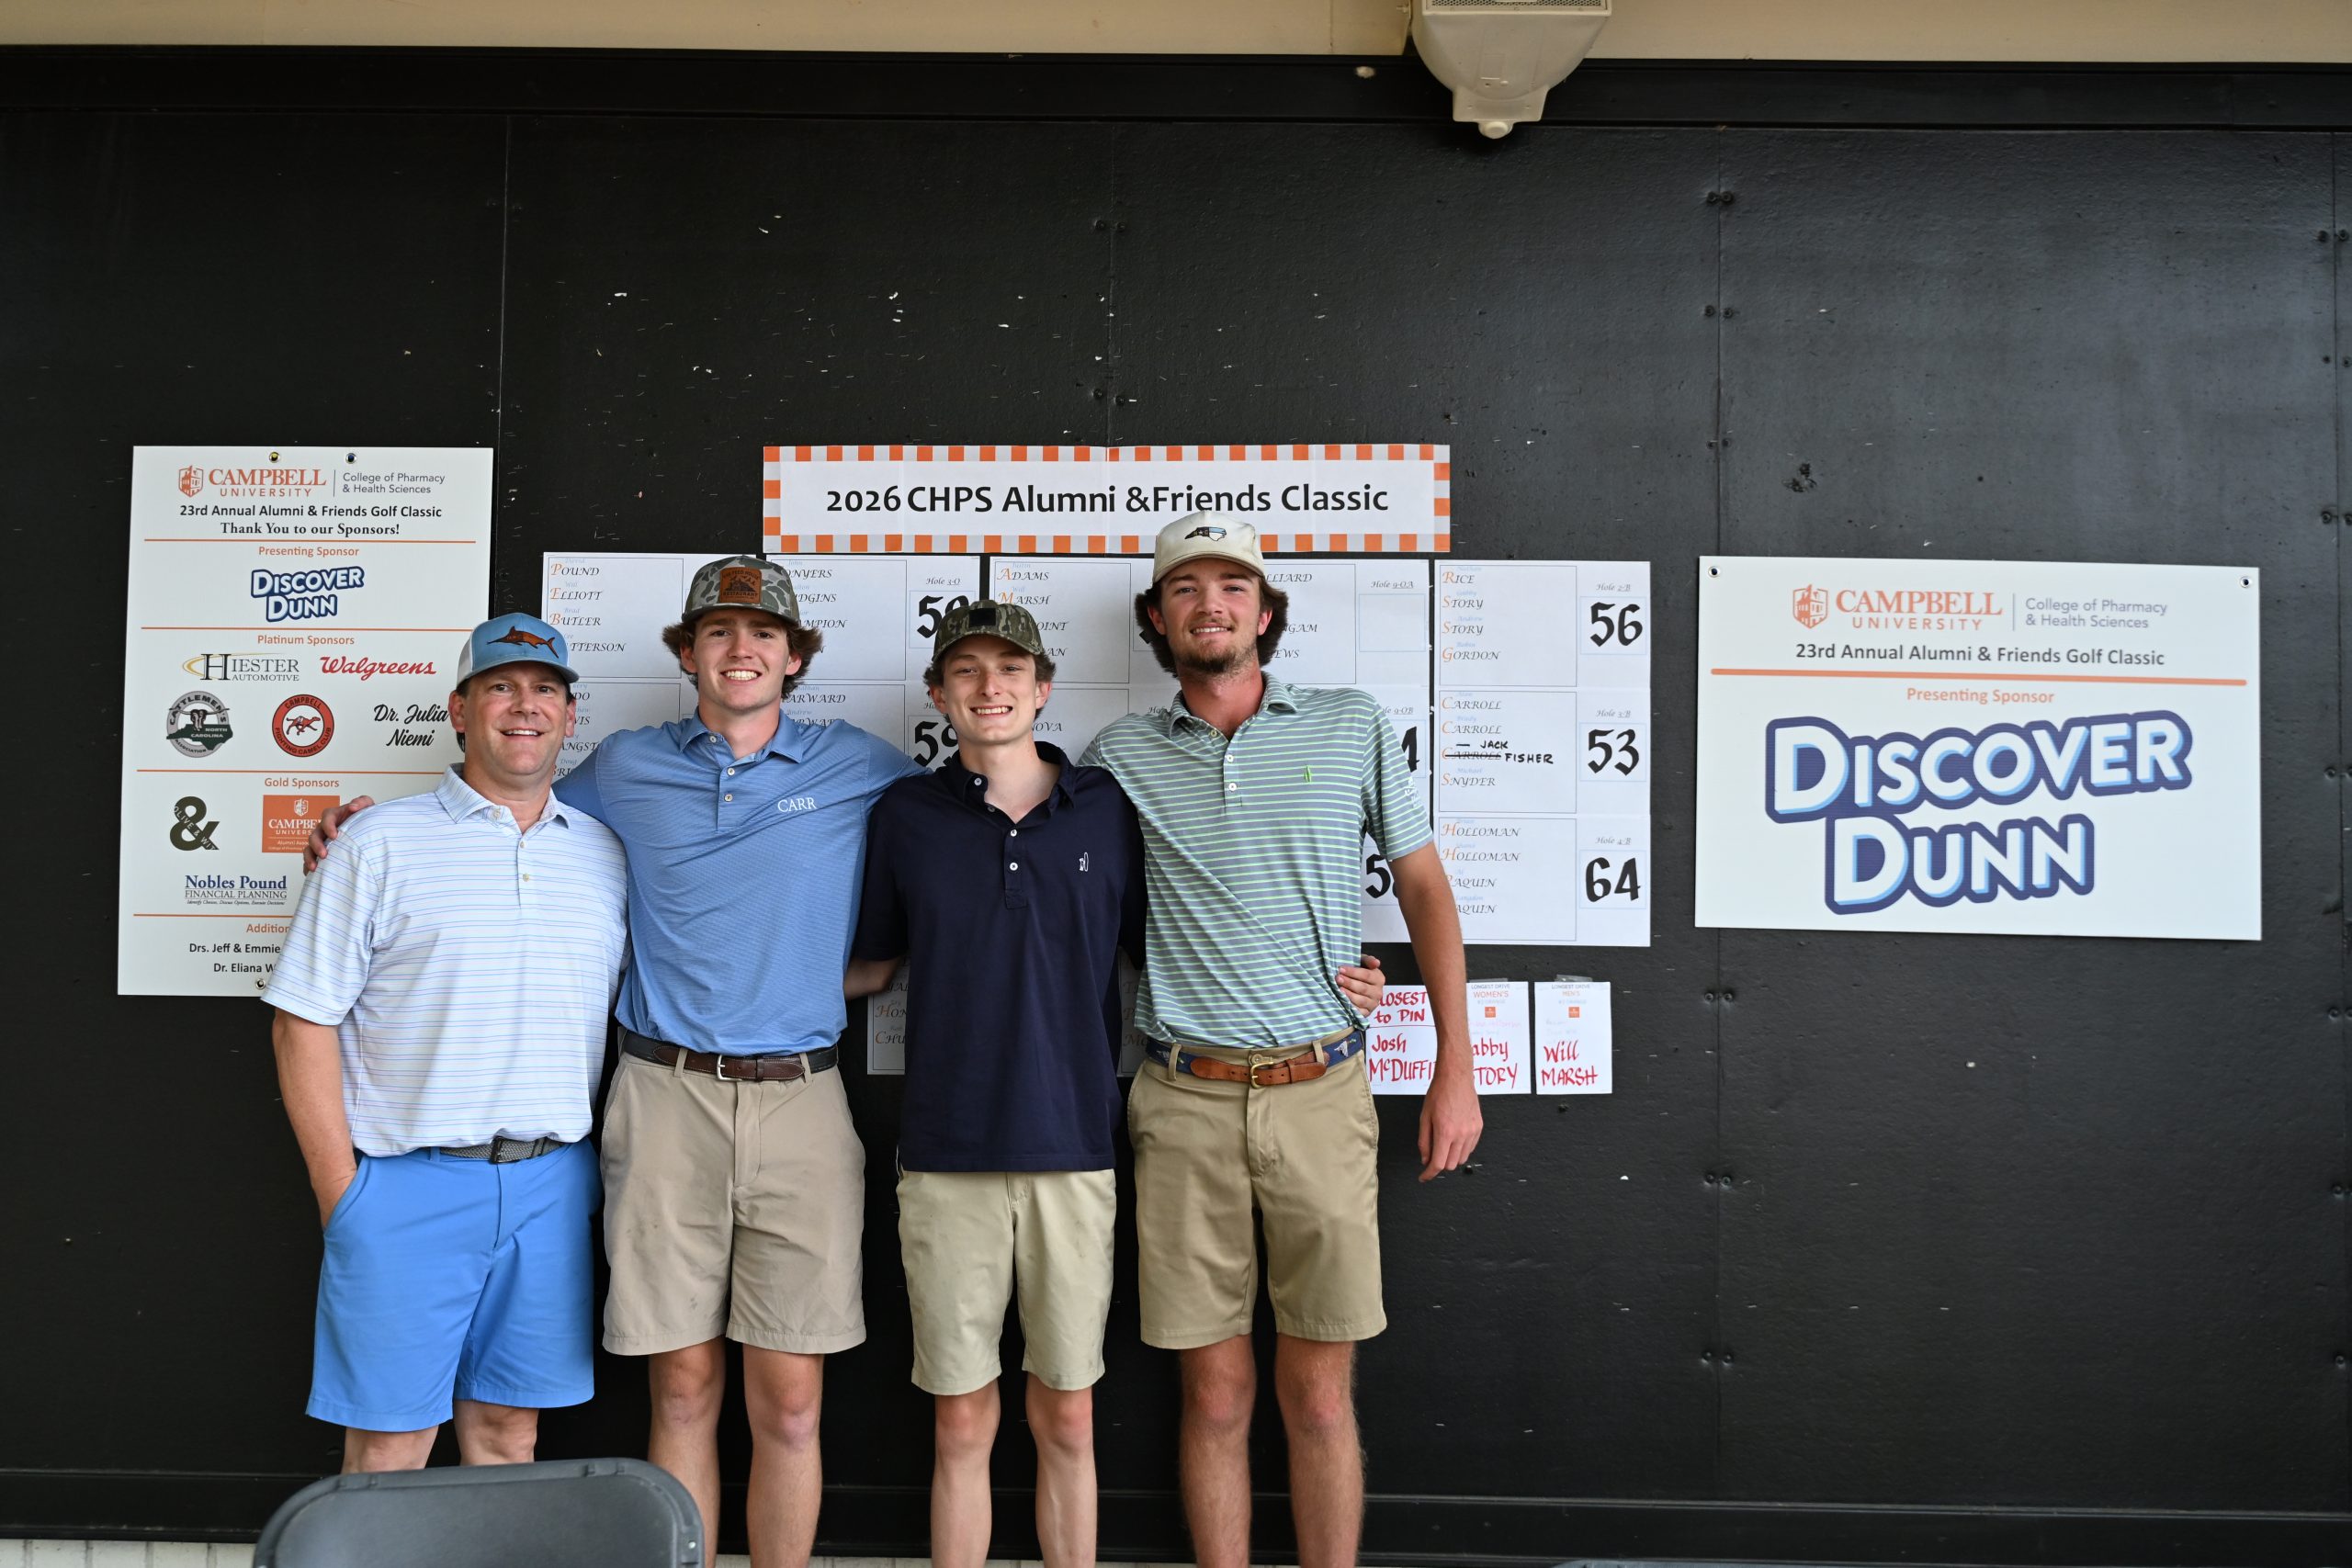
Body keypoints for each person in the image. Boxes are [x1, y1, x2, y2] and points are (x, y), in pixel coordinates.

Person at [310, 556, 921, 1568]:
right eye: (718, 633)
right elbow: (507, 803)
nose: (741, 650)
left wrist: (832, 976)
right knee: (680, 1385)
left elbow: (959, 830)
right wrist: (359, 824)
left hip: (804, 1098)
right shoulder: (626, 768)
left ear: (795, 656)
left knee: (795, 1399)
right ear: (687, 653)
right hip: (661, 1091)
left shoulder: (860, 765)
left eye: (763, 633)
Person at [845, 600, 1388, 1568]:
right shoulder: (903, 816)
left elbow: (1196, 926)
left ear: (1043, 689)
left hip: (1077, 1150)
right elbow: (871, 964)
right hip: (942, 1153)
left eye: (1009, 669)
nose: (989, 688)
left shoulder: (1106, 804)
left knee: (1067, 1417)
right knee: (961, 1424)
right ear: (938, 694)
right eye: (965, 672)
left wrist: (1329, 974)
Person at [1079, 515, 1483, 1568]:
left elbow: (1426, 889)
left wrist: (1456, 1071)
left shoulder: (1350, 724)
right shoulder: (1116, 758)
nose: (1207, 604)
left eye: (1230, 586)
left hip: (1321, 1094)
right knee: (1212, 1396)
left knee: (1316, 1392)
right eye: (1183, 590)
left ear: (1263, 613)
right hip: (1182, 1100)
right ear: (1157, 622)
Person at [265, 613, 628, 1473]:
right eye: (500, 686)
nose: (524, 706)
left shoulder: (605, 854)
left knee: (511, 1438)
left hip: (552, 1185)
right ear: (459, 709)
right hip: (405, 1187)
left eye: (546, 690)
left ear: (570, 717)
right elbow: (300, 1021)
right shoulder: (378, 843)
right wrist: (340, 1194)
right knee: (390, 1445)